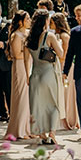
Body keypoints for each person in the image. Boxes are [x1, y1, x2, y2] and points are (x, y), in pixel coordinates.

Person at [26, 10, 63, 145]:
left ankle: (42, 134)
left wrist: (27, 76)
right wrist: (57, 43)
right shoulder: (49, 36)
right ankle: (52, 133)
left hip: (35, 74)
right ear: (46, 21)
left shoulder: (29, 38)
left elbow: (26, 60)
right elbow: (60, 53)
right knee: (53, 104)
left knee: (38, 106)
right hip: (48, 74)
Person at [63, 4, 81, 139]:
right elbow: (70, 53)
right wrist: (65, 71)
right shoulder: (74, 32)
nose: (76, 18)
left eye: (79, 15)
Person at [6, 10, 33, 141]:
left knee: (28, 98)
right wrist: (29, 53)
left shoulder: (27, 34)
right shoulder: (16, 35)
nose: (29, 20)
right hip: (20, 66)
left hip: (29, 64)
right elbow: (16, 55)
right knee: (21, 96)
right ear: (21, 21)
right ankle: (20, 130)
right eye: (27, 18)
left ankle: (28, 128)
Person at [51, 12, 80, 130]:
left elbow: (65, 55)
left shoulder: (64, 36)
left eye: (52, 22)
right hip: (58, 65)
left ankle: (67, 120)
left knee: (66, 94)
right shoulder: (57, 35)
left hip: (64, 67)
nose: (50, 25)